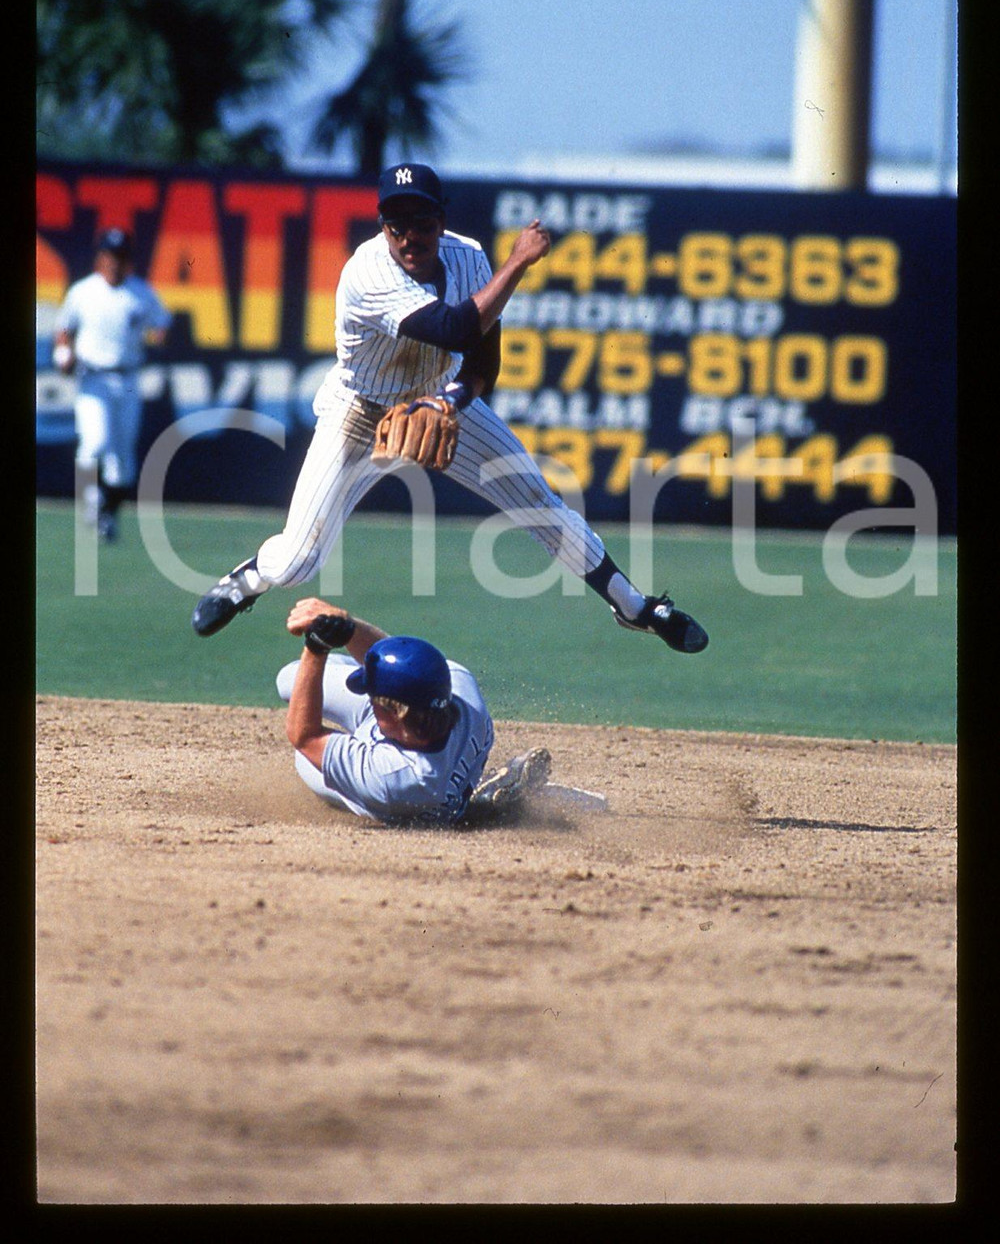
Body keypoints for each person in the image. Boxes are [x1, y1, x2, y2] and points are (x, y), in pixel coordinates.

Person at [192, 163, 708, 654]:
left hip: (441, 399)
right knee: (300, 559)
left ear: (441, 220)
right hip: (361, 413)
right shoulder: (367, 273)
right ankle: (246, 581)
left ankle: (636, 607)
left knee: (541, 504)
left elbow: (484, 361)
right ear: (383, 228)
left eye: (421, 223)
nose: (408, 238)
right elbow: (453, 329)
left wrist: (447, 400)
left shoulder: (468, 258)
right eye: (396, 226)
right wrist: (519, 262)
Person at [279, 597, 552, 825]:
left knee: (303, 759)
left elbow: (305, 736)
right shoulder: (458, 685)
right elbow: (403, 662)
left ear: (394, 712)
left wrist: (317, 648)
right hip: (415, 750)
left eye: (372, 694)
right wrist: (348, 629)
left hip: (396, 791)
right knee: (289, 679)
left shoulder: (395, 779)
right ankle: (480, 796)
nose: (367, 694)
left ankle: (482, 804)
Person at [53, 227, 172, 541]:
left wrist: (155, 337)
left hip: (128, 377)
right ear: (100, 257)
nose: (115, 263)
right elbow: (64, 327)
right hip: (93, 377)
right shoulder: (84, 292)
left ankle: (109, 515)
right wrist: (63, 353)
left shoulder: (140, 292)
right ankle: (91, 502)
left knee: (122, 461)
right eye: (110, 256)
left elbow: (161, 325)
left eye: (120, 257)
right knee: (95, 442)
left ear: (128, 260)